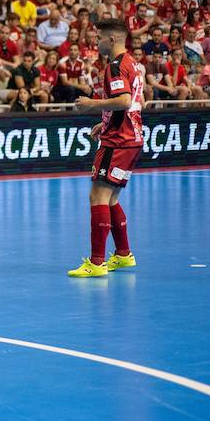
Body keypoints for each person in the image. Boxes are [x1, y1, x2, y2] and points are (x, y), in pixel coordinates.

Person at [70, 18, 144, 277]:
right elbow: (136, 102)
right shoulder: (132, 63)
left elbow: (123, 101)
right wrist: (105, 122)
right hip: (131, 138)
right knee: (111, 198)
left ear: (112, 40)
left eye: (100, 38)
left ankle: (96, 263)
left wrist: (91, 104)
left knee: (98, 197)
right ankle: (123, 255)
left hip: (118, 141)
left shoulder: (115, 66)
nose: (96, 42)